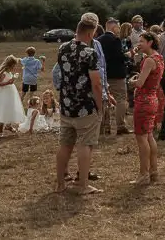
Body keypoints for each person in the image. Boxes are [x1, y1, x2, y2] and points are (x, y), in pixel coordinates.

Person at [55, 14, 104, 195]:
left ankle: (60, 183)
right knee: (85, 144)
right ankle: (82, 185)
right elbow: (96, 83)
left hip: (66, 104)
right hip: (85, 106)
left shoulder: (62, 48)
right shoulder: (89, 53)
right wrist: (100, 106)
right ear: (90, 34)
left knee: (65, 144)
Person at [130, 31, 163, 185]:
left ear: (150, 42)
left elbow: (140, 83)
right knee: (149, 136)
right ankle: (153, 171)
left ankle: (143, 174)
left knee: (142, 138)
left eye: (142, 41)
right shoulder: (158, 57)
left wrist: (132, 81)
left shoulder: (149, 60)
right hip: (153, 99)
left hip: (144, 101)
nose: (139, 44)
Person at [97, 18, 129, 135]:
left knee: (105, 100)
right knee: (120, 99)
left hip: (104, 74)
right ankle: (120, 125)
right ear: (113, 27)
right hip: (116, 74)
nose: (119, 30)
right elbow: (119, 57)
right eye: (118, 27)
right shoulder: (115, 40)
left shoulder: (98, 40)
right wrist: (127, 55)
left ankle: (106, 126)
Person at [0, 55, 26, 137]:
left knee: (10, 108)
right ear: (10, 65)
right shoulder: (3, 73)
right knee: (3, 110)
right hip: (3, 94)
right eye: (14, 65)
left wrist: (13, 79)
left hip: (10, 93)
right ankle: (0, 130)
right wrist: (8, 83)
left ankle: (8, 125)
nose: (15, 66)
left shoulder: (9, 73)